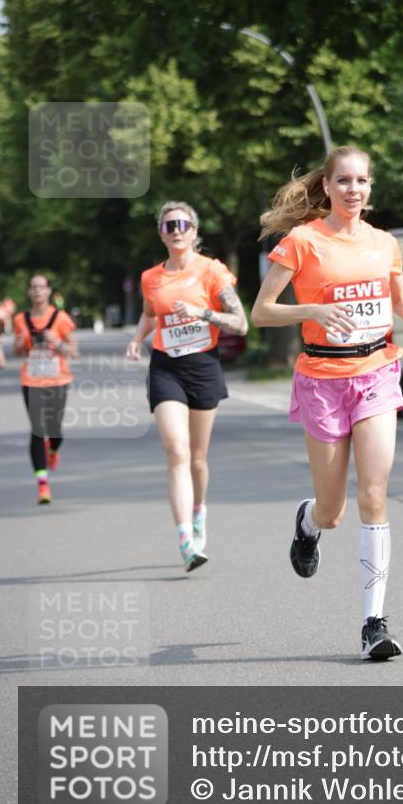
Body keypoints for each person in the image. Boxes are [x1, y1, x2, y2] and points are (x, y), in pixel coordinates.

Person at [251, 145, 403, 660]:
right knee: (333, 511)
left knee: (375, 492)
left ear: (371, 189)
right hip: (322, 377)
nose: (355, 189)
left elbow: (400, 303)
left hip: (376, 371)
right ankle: (307, 523)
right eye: (345, 181)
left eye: (363, 181)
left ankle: (374, 622)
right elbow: (263, 312)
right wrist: (315, 310)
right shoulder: (301, 242)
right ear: (326, 187)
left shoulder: (385, 244)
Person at [126, 201, 248, 573]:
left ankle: (198, 513)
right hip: (166, 368)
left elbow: (240, 323)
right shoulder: (152, 278)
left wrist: (202, 313)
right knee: (176, 451)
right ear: (161, 234)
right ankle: (185, 540)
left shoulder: (212, 272)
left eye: (183, 224)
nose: (176, 229)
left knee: (197, 457)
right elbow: (150, 314)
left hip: (203, 367)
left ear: (194, 231)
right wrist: (137, 339)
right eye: (168, 225)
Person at [12, 277, 77, 504]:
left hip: (58, 379)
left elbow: (74, 351)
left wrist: (57, 343)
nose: (37, 290)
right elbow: (18, 352)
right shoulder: (21, 319)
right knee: (38, 430)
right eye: (33, 287)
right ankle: (42, 484)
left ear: (49, 291)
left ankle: (53, 450)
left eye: (41, 287)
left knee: (55, 430)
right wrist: (20, 344)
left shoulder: (60, 318)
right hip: (31, 380)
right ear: (29, 292)